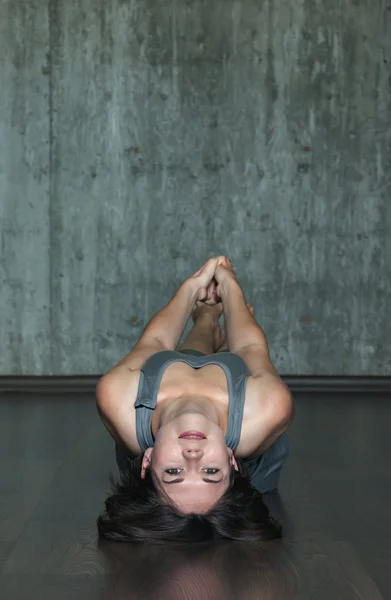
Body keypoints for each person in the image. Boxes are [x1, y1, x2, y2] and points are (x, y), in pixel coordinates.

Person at [96, 256, 294, 543]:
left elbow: (155, 344)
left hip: (170, 401)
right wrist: (228, 284)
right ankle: (218, 340)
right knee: (230, 358)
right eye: (211, 471)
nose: (193, 457)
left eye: (173, 471)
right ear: (231, 461)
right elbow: (250, 347)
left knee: (179, 360)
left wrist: (193, 287)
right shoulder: (266, 408)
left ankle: (206, 320)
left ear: (148, 461)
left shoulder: (119, 399)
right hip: (253, 443)